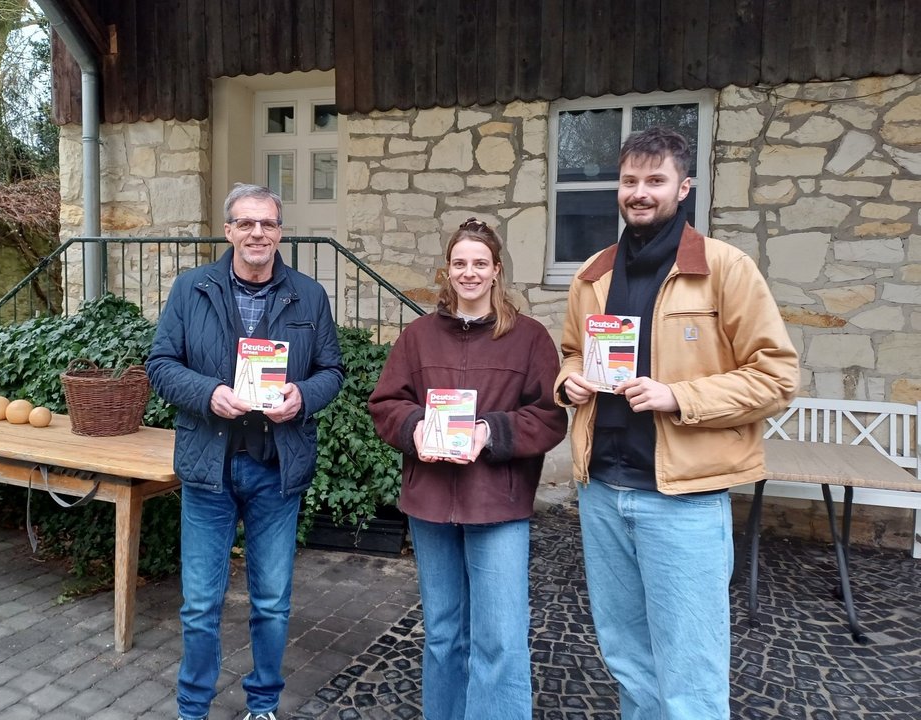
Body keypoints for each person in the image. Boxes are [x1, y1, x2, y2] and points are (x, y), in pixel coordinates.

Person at [554, 127, 799, 719]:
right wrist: (570, 382)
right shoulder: (593, 274)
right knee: (628, 659)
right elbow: (567, 354)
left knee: (689, 672)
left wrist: (678, 396)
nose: (640, 192)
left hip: (683, 500)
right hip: (602, 493)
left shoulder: (725, 268)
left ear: (683, 188)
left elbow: (777, 376)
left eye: (655, 181)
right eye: (630, 180)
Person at [147, 183, 344, 720]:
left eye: (269, 224)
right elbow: (160, 364)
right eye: (247, 223)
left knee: (273, 602)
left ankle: (263, 705)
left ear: (280, 232)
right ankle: (193, 709)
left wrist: (303, 397)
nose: (258, 233)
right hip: (209, 468)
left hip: (276, 470)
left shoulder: (309, 294)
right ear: (229, 230)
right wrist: (208, 394)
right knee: (200, 604)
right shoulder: (192, 289)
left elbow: (333, 371)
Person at [368, 218, 568, 720]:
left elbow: (549, 415)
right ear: (447, 271)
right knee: (441, 634)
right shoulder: (417, 337)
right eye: (460, 263)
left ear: (497, 270)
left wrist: (490, 432)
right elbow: (386, 402)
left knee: (499, 637)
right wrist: (414, 427)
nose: (469, 272)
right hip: (431, 504)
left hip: (497, 503)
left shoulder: (529, 339)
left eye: (480, 263)